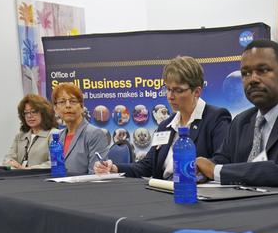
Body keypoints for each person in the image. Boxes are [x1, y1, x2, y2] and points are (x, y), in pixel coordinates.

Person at [194, 39, 278, 191]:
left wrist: (215, 171)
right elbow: (221, 161)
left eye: (263, 70)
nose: (253, 79)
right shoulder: (240, 122)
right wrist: (201, 171)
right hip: (244, 208)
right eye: (245, 73)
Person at [94, 56, 231, 179]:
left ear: (197, 92)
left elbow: (221, 163)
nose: (170, 96)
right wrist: (114, 168)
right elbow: (148, 166)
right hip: (164, 192)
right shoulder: (165, 125)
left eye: (178, 90)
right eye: (168, 89)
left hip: (194, 193)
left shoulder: (216, 118)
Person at [52, 83, 111, 175]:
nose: (68, 105)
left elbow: (97, 175)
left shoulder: (95, 134)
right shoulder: (57, 137)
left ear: (82, 107)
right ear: (56, 109)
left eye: (73, 101)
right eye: (62, 102)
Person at [5, 95, 55, 169]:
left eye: (33, 111)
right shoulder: (19, 136)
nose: (29, 116)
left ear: (44, 113)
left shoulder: (54, 134)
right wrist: (10, 163)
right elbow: (8, 159)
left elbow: (53, 163)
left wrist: (27, 170)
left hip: (41, 178)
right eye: (26, 113)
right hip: (20, 178)